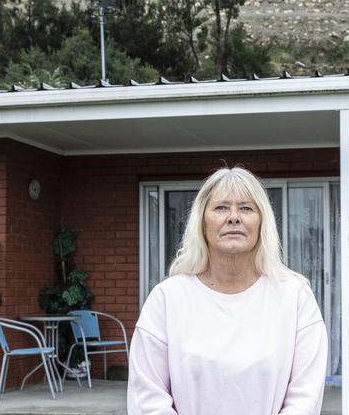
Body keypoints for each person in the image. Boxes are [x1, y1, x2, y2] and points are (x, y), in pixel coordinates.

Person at [127, 166, 328, 414]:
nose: (234, 217)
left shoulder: (295, 298)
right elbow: (147, 398)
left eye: (246, 208)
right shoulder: (167, 299)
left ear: (261, 222)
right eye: (221, 207)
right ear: (202, 222)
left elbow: (304, 400)